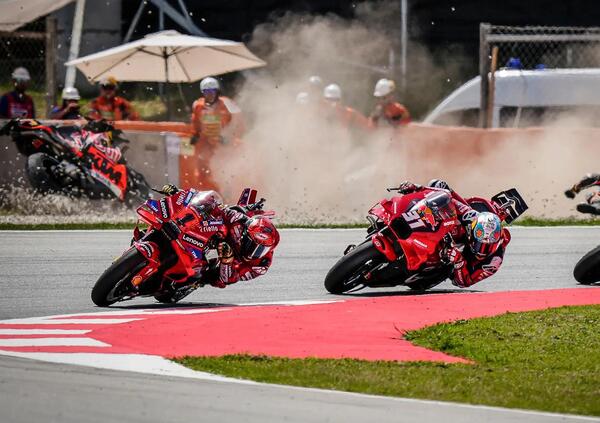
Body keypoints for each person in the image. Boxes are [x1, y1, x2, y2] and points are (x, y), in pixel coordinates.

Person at [161, 183, 279, 288]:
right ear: (245, 234)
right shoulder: (237, 220)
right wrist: (179, 194)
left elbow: (230, 279)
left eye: (261, 250)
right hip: (218, 236)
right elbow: (213, 205)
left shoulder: (261, 265)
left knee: (212, 278)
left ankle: (192, 280)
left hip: (227, 265)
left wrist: (227, 261)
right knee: (205, 213)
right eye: (252, 245)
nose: (254, 252)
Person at [397, 179, 510, 288]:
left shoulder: (494, 262)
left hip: (457, 266)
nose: (482, 249)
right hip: (450, 238)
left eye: (488, 245)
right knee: (438, 185)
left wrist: (459, 262)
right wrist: (418, 188)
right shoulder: (470, 216)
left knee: (442, 269)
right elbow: (450, 198)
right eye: (480, 243)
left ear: (498, 240)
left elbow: (464, 283)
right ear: (473, 229)